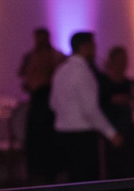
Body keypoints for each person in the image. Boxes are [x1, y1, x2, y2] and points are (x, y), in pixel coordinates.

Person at [50, 31, 122, 182]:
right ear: (84, 47)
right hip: (82, 137)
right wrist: (111, 133)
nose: (95, 49)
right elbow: (90, 110)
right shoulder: (83, 72)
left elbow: (52, 103)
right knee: (86, 183)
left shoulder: (60, 71)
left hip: (62, 135)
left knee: (70, 182)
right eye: (93, 45)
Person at [17, 27, 64, 183]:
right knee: (36, 141)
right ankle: (36, 173)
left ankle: (51, 173)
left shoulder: (57, 56)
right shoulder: (30, 56)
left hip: (50, 104)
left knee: (50, 141)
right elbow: (22, 75)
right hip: (37, 103)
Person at [99, 46, 134, 179]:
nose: (123, 63)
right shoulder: (103, 83)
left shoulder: (130, 83)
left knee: (130, 169)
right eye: (119, 59)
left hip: (127, 131)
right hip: (110, 131)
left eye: (124, 59)